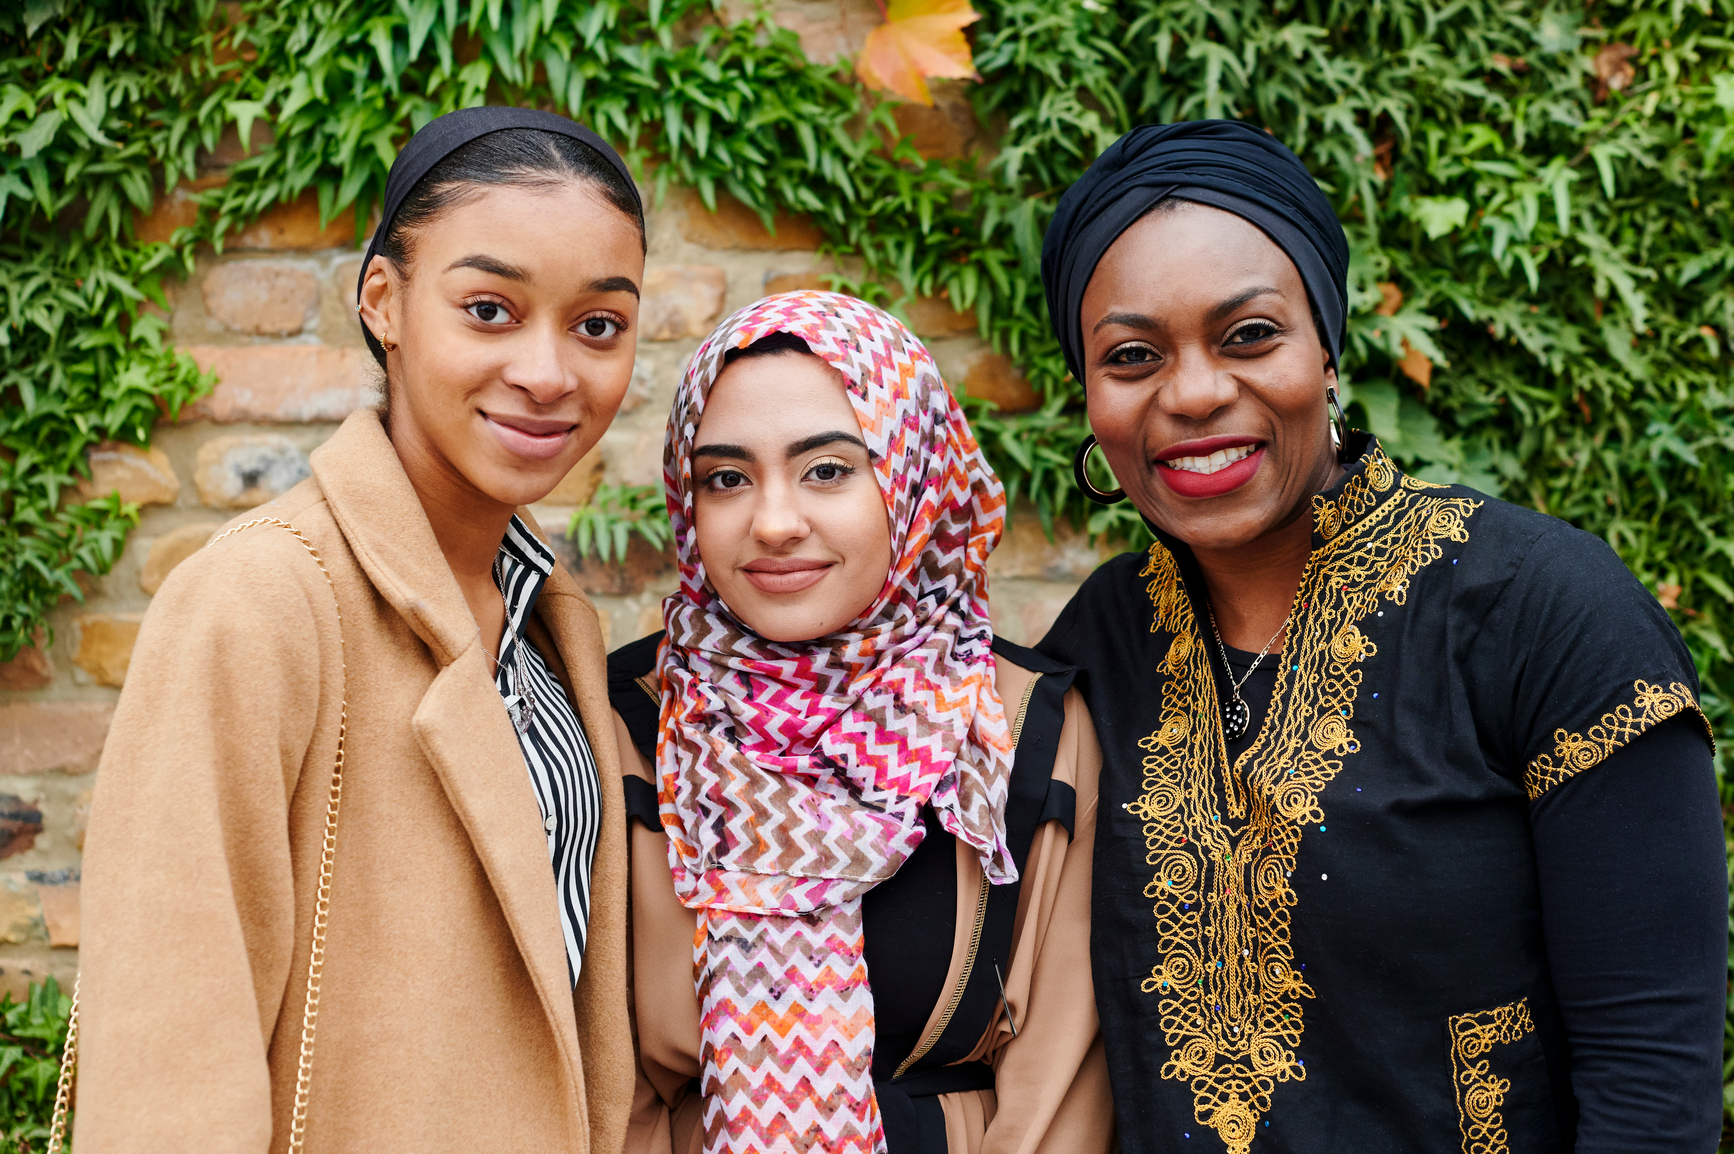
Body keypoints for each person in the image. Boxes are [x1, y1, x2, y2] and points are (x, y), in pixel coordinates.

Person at [1033, 118, 1727, 1154]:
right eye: (1131, 356)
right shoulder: (1101, 639)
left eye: (1249, 334)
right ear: (1091, 396)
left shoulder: (1542, 613)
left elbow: (1650, 1092)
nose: (1190, 392)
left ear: (1326, 345)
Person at [75, 107, 645, 1150]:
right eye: (489, 308)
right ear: (383, 298)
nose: (550, 370)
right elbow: (166, 1068)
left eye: (598, 324)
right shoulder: (260, 599)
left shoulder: (557, 626)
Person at [609, 291, 1113, 1154]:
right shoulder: (628, 718)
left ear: (915, 478)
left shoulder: (1024, 725)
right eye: (725, 478)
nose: (773, 522)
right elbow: (591, 1089)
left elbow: (1058, 1095)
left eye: (828, 470)